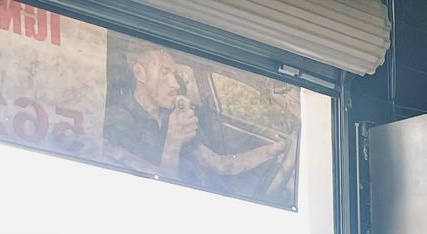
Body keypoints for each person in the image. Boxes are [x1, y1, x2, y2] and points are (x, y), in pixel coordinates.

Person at [101, 43, 293, 195]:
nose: (176, 84)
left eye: (175, 75)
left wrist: (271, 151)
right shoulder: (116, 121)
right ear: (139, 73)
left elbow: (220, 164)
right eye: (164, 72)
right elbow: (153, 194)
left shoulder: (173, 117)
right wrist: (173, 142)